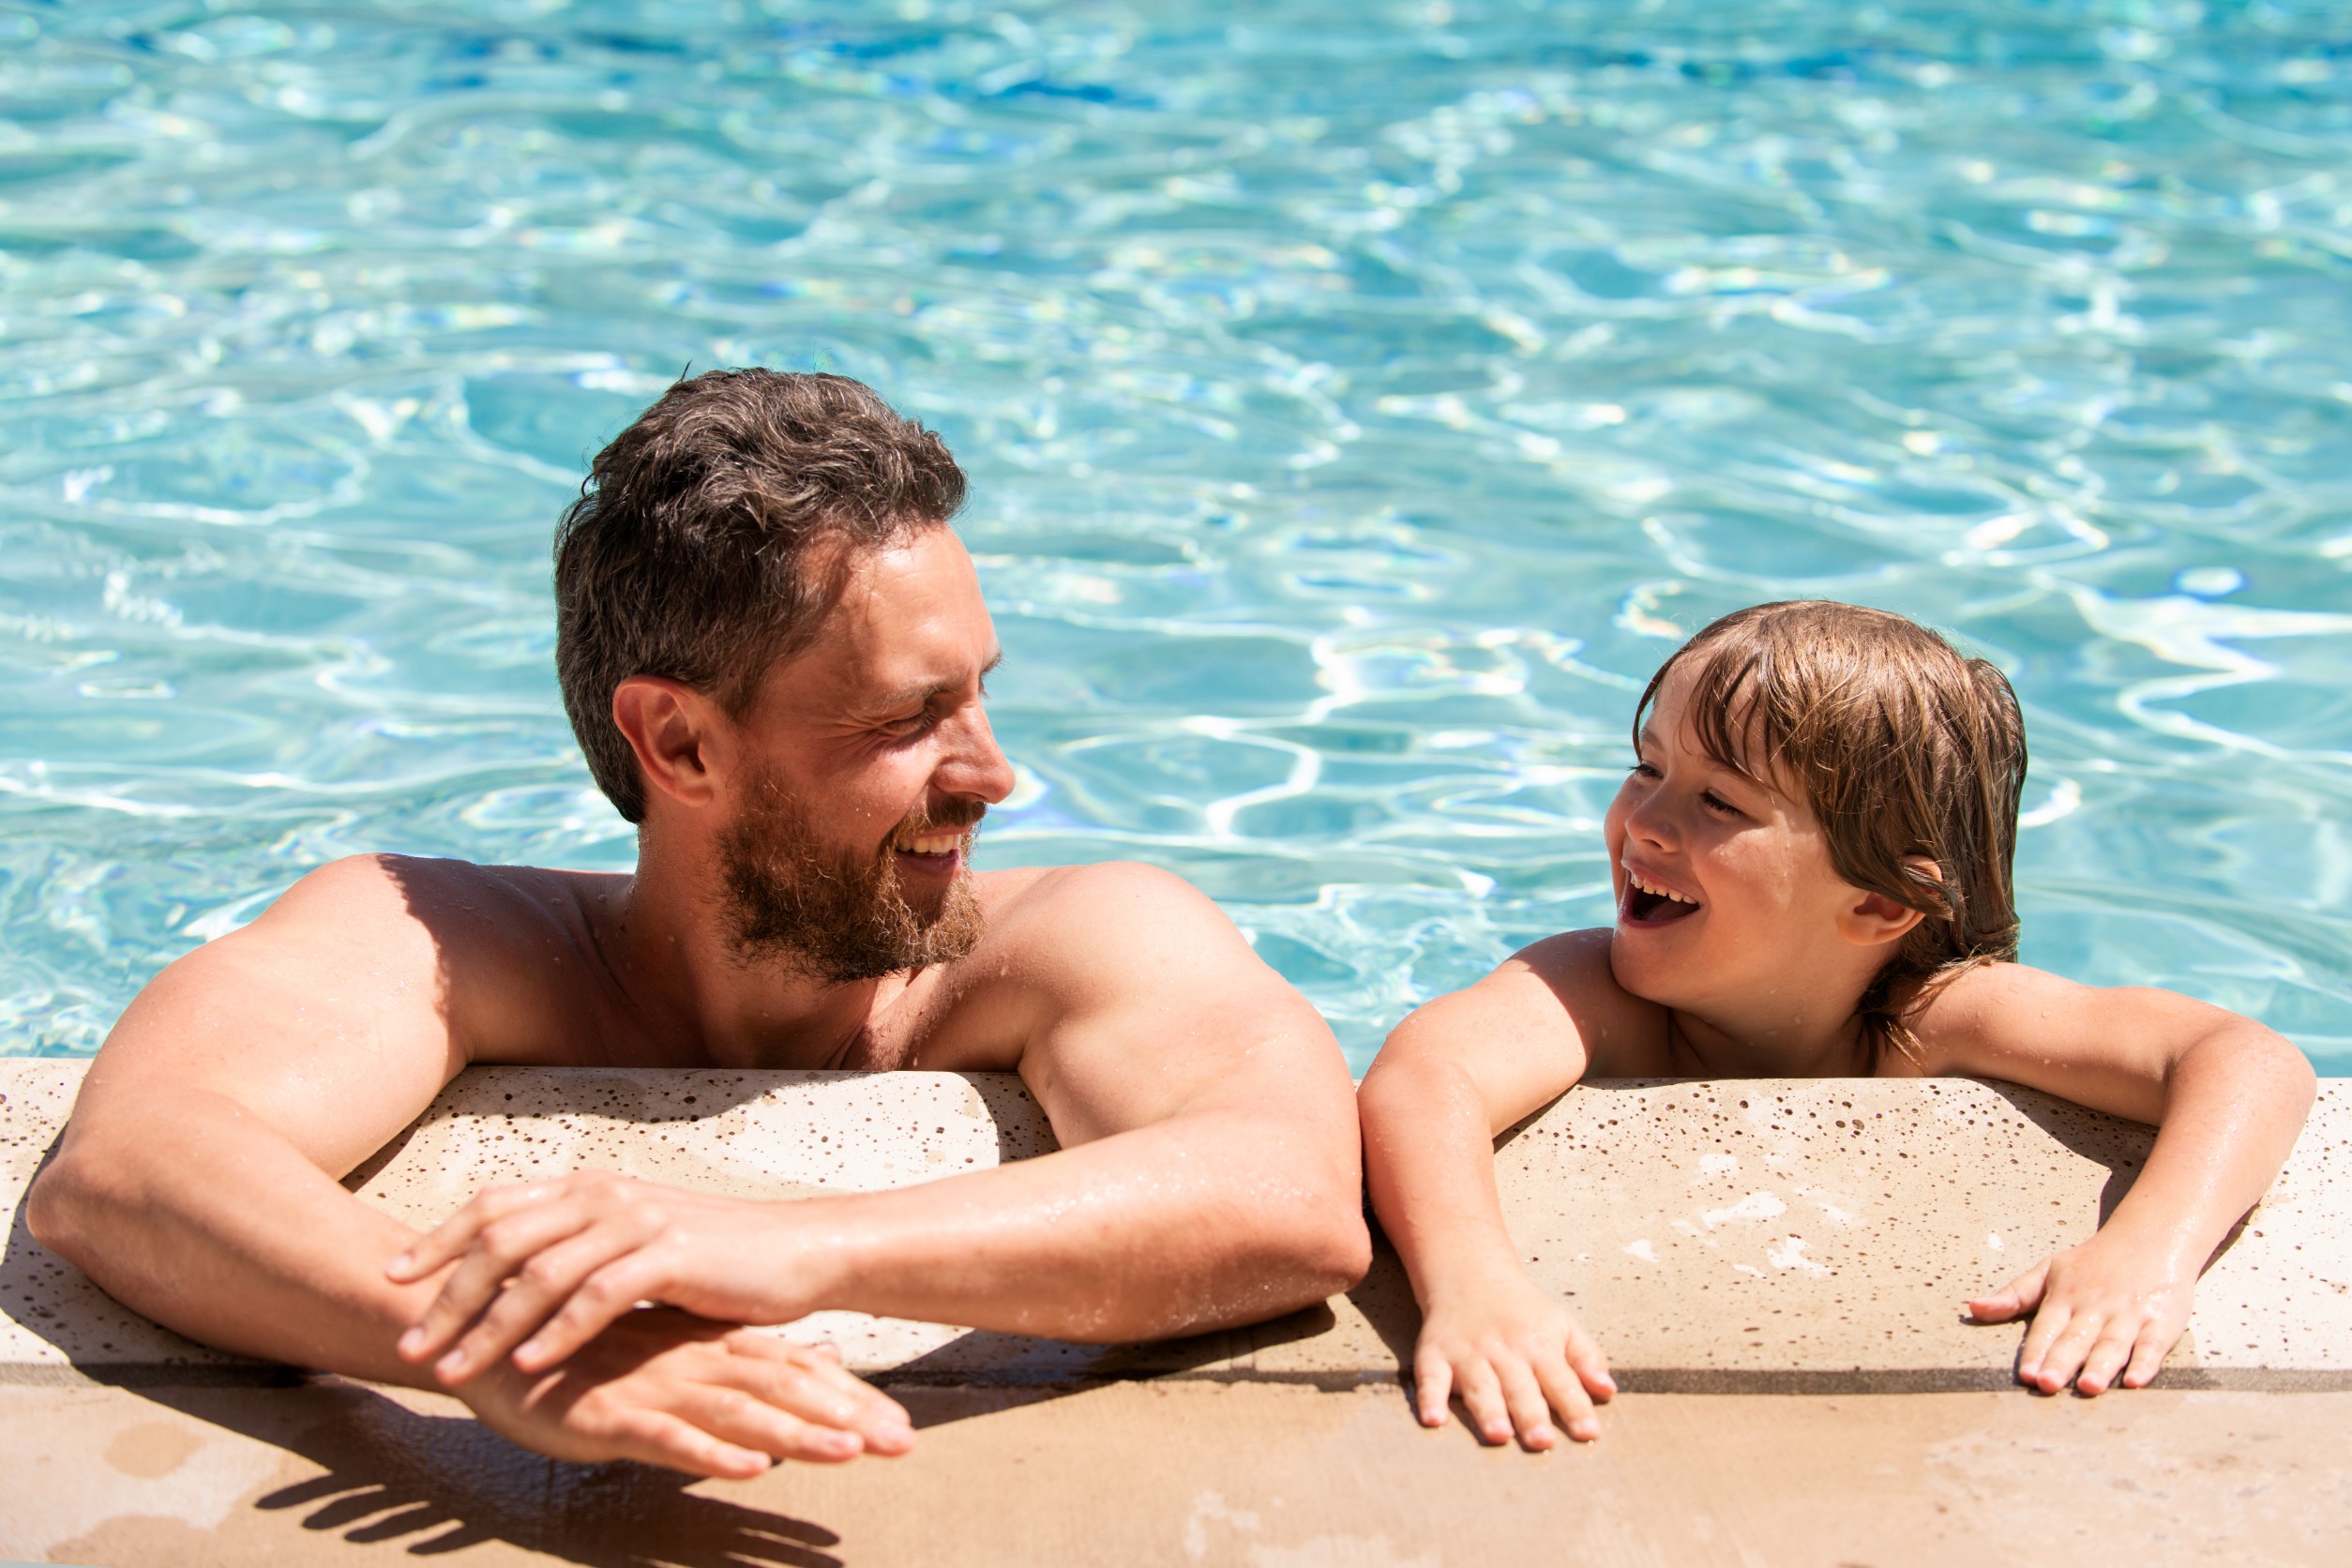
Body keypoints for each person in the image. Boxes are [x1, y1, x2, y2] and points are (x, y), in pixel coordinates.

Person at [28, 369, 1370, 1481]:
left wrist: (792, 1245)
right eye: (910, 717)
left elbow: (1292, 1199)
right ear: (678, 741)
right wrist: (502, 1343)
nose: (993, 772)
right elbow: (130, 1167)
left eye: (978, 693)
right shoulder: (456, 940)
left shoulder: (1082, 933)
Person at [1358, 599, 2316, 1451]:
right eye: (1646, 768)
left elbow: (2244, 1058)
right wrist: (1473, 1282)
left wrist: (2147, 1251)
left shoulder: (1930, 1018)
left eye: (1718, 801)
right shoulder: (1597, 993)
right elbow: (1421, 1076)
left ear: (1880, 906)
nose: (1642, 822)